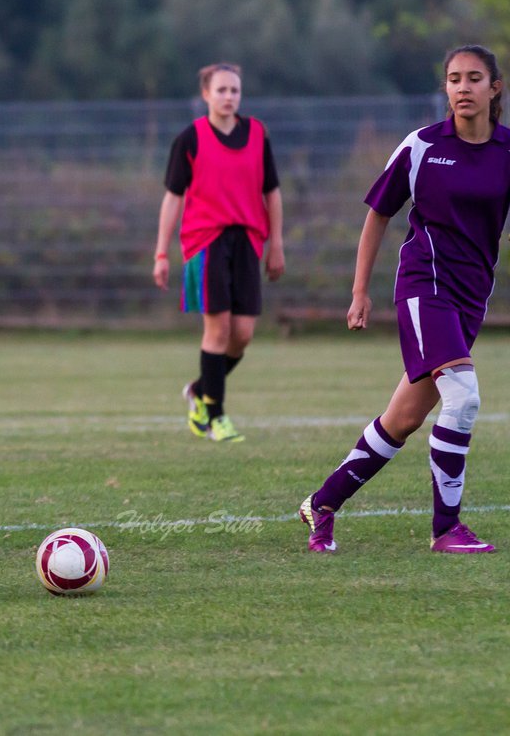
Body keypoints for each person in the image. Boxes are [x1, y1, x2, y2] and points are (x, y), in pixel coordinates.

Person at [299, 45, 508, 554]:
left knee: (403, 419)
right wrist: (358, 292)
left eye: (474, 78)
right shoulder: (421, 147)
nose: (462, 87)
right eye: (454, 78)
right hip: (423, 288)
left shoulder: (507, 151)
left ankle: (321, 504)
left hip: (469, 299)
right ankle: (446, 529)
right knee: (463, 397)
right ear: (445, 88)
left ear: (494, 88)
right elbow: (378, 214)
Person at [153, 63, 285, 443]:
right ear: (206, 95)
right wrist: (161, 253)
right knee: (218, 328)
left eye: (235, 91)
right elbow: (173, 198)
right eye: (222, 90)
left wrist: (276, 243)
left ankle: (199, 391)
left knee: (241, 335)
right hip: (205, 241)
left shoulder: (257, 135)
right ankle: (216, 417)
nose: (229, 97)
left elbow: (271, 192)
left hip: (248, 240)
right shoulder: (190, 139)